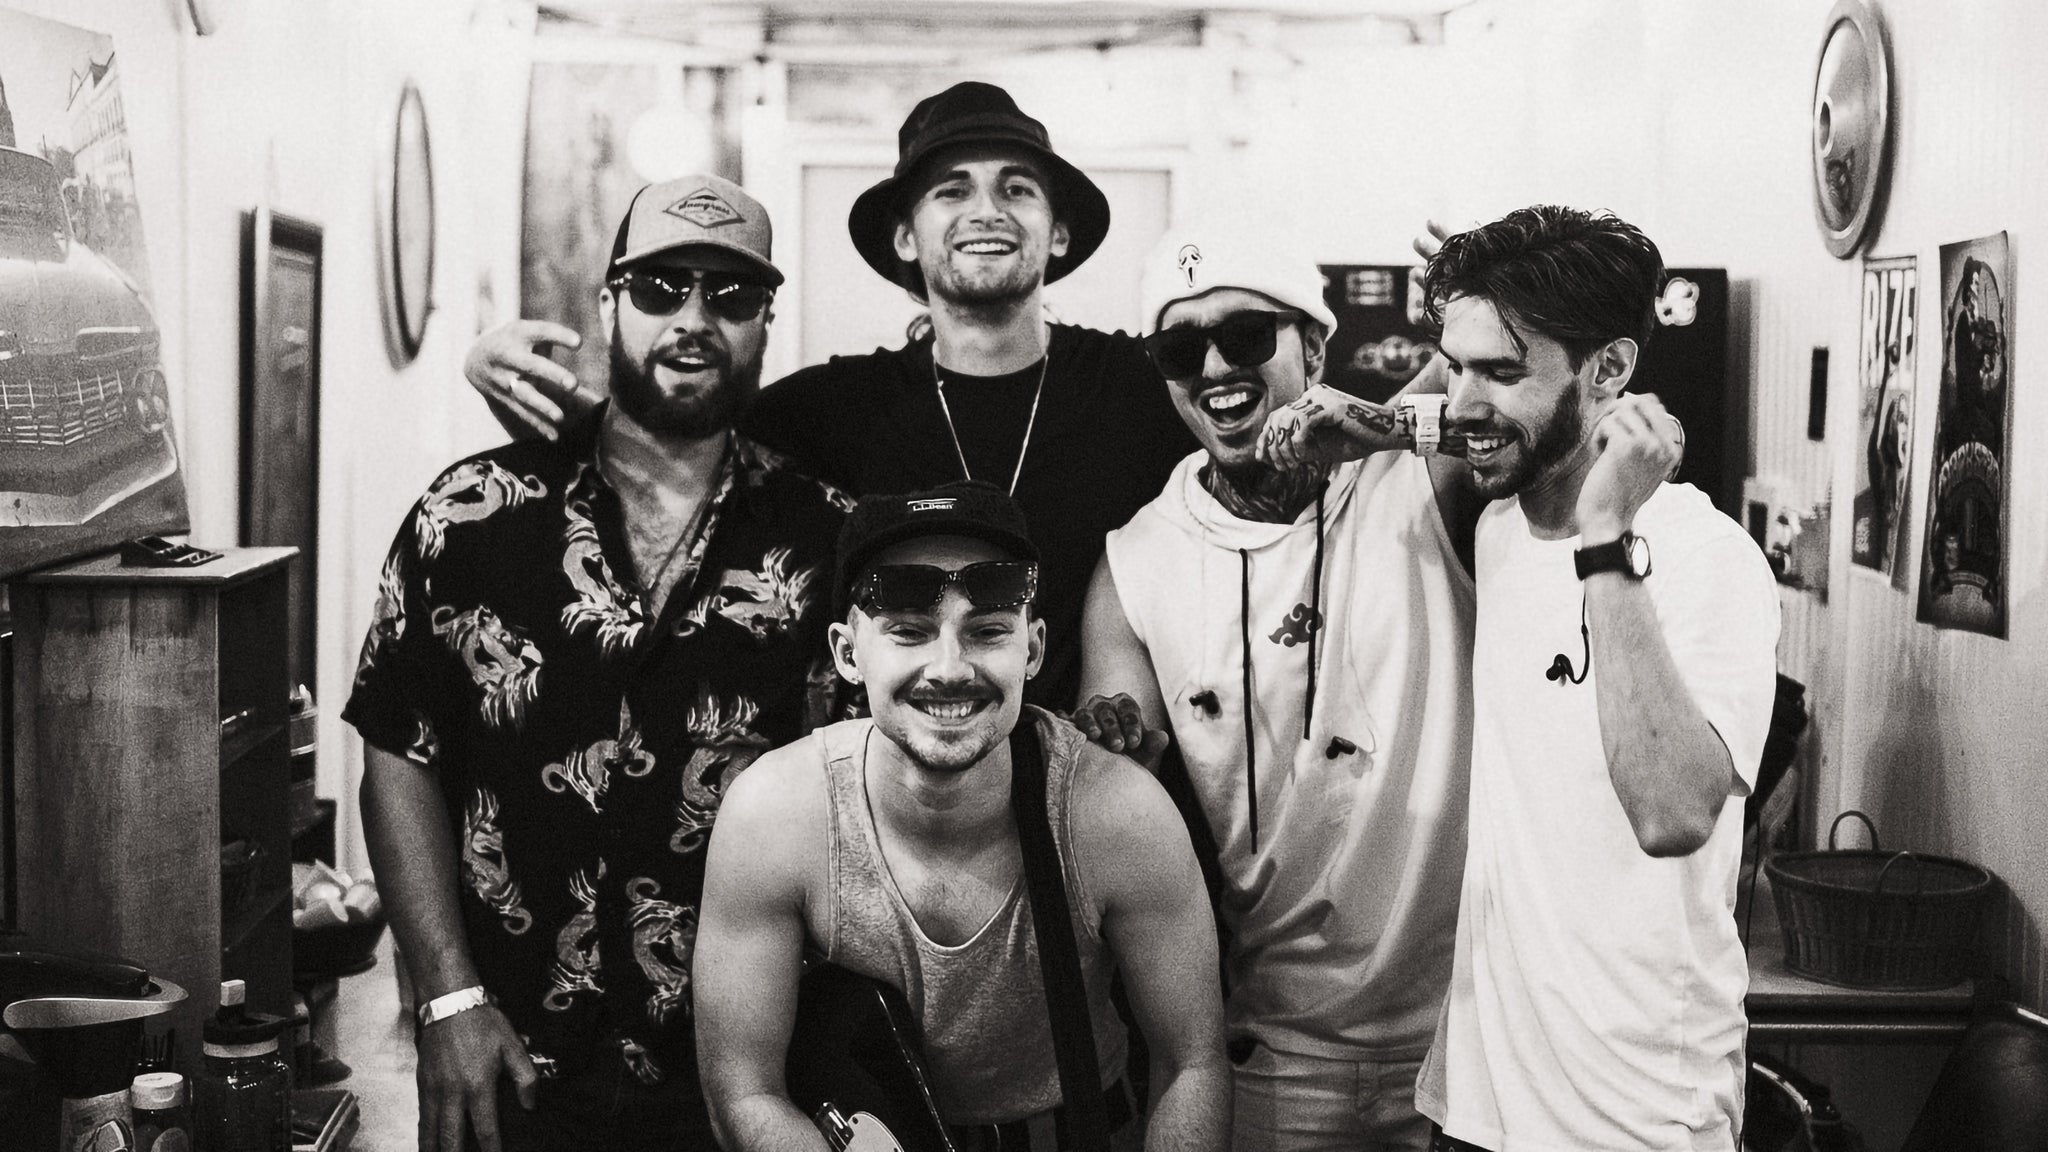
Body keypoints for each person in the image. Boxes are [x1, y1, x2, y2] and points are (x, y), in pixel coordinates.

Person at [345, 173, 850, 1152]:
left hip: (745, 1084)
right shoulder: (470, 517)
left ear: (766, 320)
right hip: (507, 1065)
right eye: (660, 288)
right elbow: (397, 752)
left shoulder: (824, 538)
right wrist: (447, 998)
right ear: (610, 304)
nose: (693, 319)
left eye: (730, 294)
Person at [461, 81, 1196, 710]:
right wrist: (517, 386)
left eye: (1017, 189)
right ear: (905, 238)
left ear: (1058, 232)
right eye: (952, 190)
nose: (986, 210)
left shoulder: (1148, 383)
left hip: (1101, 796)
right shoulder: (835, 408)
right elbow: (666, 448)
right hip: (907, 796)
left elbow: (1245, 430)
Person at [1348, 205, 1773, 1151]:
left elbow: (1673, 814)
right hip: (1475, 1105)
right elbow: (1435, 424)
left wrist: (1606, 535)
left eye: (1502, 372)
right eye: (1455, 365)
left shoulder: (1708, 556)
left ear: (1610, 369)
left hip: (1633, 1119)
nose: (1465, 401)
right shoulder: (1499, 527)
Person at [1070, 220, 1482, 1152]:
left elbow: (1566, 422)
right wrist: (1111, 743)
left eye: (1247, 335)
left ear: (1316, 350)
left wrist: (1405, 404)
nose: (1216, 366)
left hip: (1468, 1032)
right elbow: (1117, 764)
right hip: (1276, 1051)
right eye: (1181, 349)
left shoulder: (1413, 476)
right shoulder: (1137, 561)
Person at [693, 481, 1230, 1151]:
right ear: (848, 654)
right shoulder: (775, 816)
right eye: (909, 632)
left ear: (1032, 649)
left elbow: (1192, 1065)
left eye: (986, 632)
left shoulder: (1115, 813)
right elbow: (744, 1094)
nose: (949, 667)